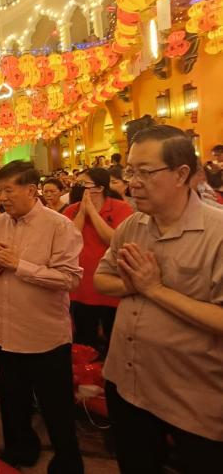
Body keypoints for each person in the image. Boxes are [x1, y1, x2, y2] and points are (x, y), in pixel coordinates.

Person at [94, 125, 223, 473]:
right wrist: (133, 286)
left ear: (182, 174)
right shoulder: (132, 227)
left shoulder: (217, 233)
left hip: (192, 397)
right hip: (128, 383)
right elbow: (101, 279)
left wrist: (155, 290)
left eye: (145, 172)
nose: (132, 181)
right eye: (129, 171)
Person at [0, 161, 84, 473]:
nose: (2, 198)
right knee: (13, 401)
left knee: (56, 406)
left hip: (45, 335)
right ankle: (20, 449)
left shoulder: (58, 225)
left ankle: (67, 460)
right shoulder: (0, 224)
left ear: (31, 189)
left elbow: (69, 279)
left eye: (8, 190)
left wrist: (17, 264)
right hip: (7, 331)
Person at [63, 168, 133, 354]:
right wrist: (82, 213)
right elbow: (69, 240)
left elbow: (113, 240)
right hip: (81, 288)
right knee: (85, 344)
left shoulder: (121, 208)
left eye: (83, 184)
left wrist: (93, 213)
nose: (78, 187)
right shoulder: (71, 210)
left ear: (99, 188)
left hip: (112, 286)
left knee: (116, 344)